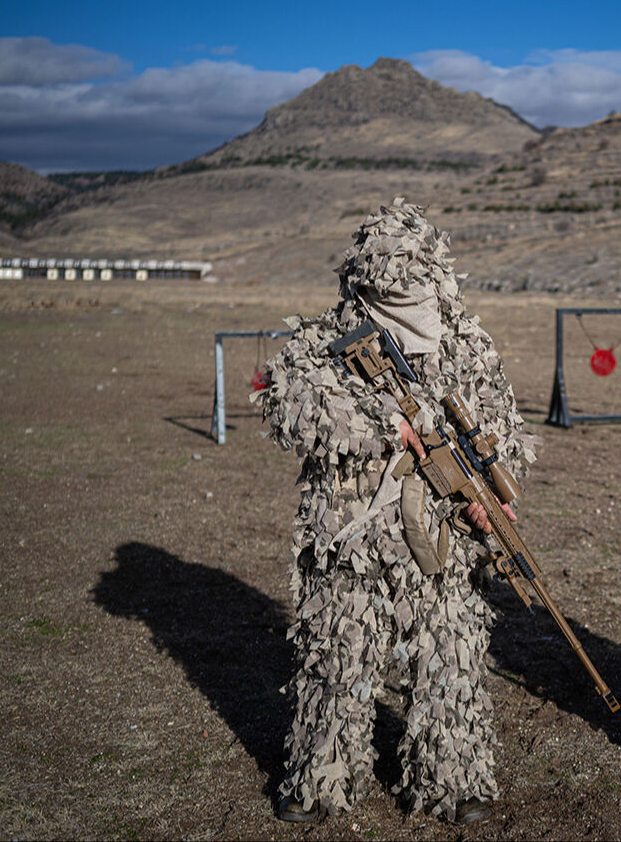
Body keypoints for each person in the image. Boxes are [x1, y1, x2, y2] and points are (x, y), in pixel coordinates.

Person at [254, 198, 537, 825]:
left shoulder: (465, 342)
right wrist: (389, 427)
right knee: (337, 658)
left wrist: (484, 496)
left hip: (443, 537)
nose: (409, 303)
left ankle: (453, 778)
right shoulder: (324, 340)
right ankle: (321, 777)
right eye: (393, 291)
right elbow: (289, 398)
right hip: (352, 536)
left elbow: (502, 427)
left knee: (451, 656)